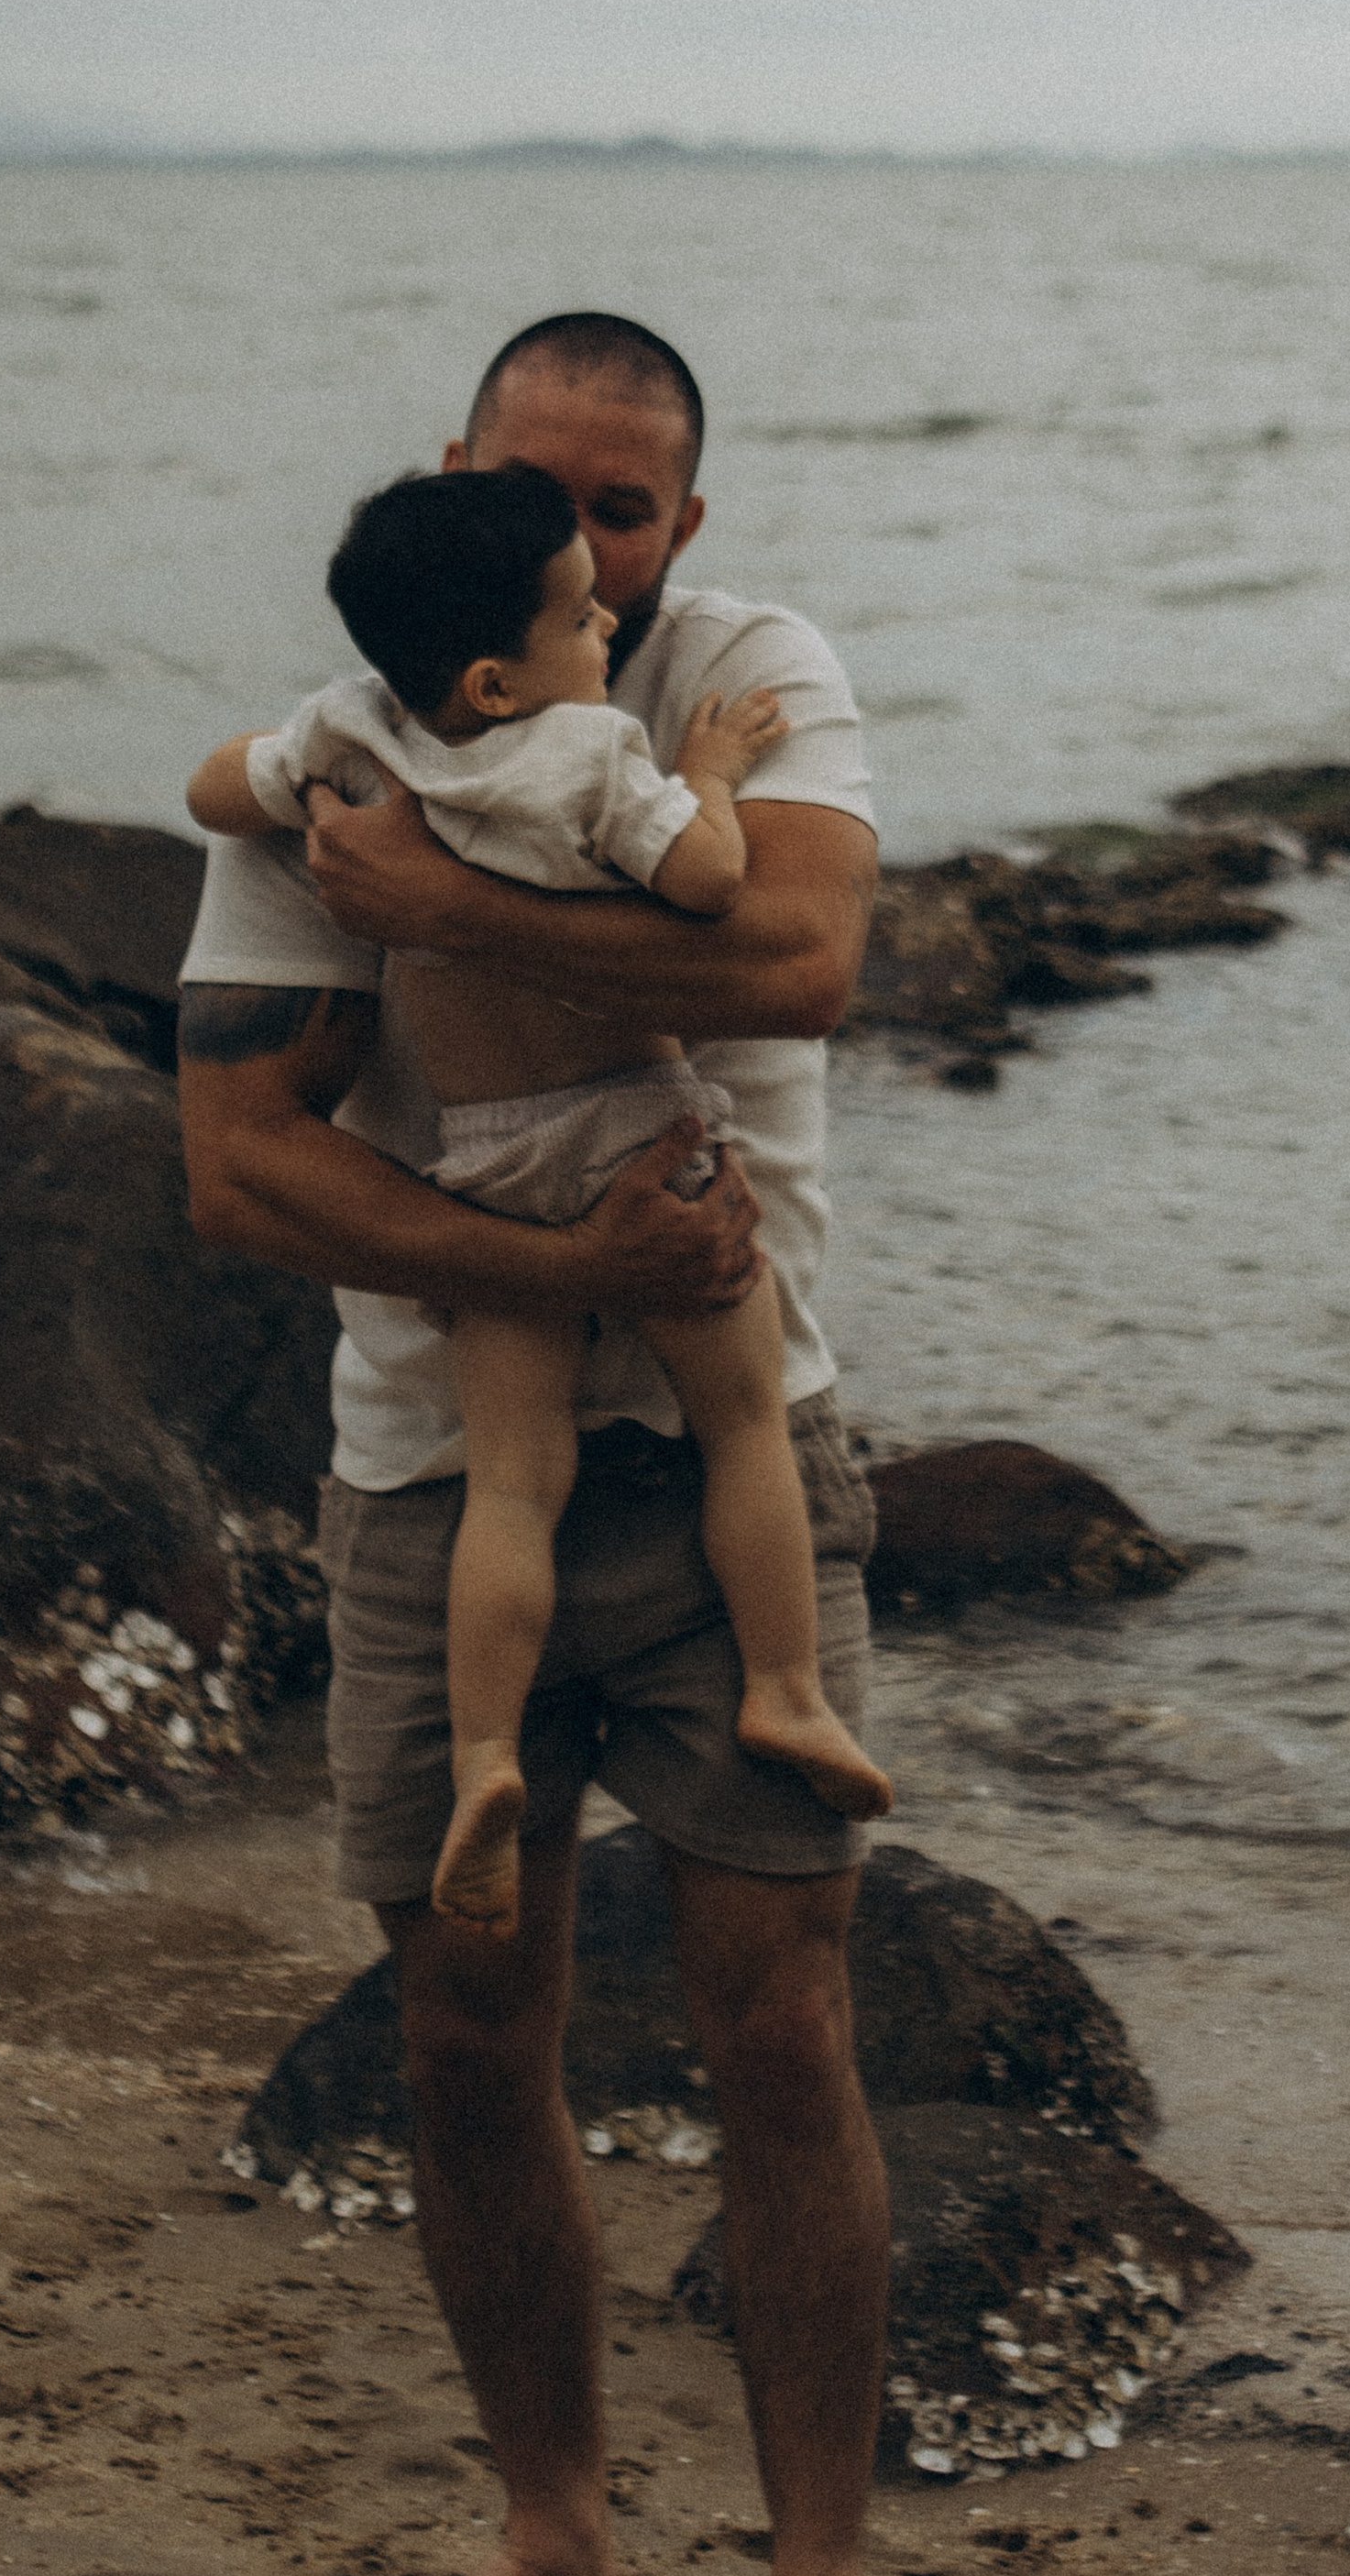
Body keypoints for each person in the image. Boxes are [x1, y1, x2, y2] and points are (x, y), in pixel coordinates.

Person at [175, 311, 899, 2576]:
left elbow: (803, 961)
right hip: (435, 1460)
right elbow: (241, 1163)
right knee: (470, 2030)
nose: (585, 541)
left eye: (626, 509)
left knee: (779, 2024)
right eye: (533, 491)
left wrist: (419, 900)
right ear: (451, 482)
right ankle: (557, 2542)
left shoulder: (742, 676)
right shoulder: (348, 723)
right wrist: (572, 1265)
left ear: (677, 533)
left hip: (733, 1466)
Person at [183, 460, 891, 1944]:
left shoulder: (353, 743)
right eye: (579, 616)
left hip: (487, 1161)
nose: (603, 632)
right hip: (644, 1143)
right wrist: (700, 770)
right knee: (745, 1421)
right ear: (505, 675)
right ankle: (786, 1690)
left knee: (512, 1482)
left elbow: (206, 788)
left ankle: (488, 1756)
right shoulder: (585, 751)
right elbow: (708, 884)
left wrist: (309, 789)